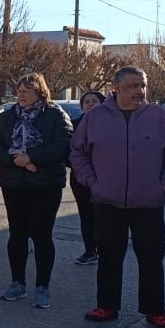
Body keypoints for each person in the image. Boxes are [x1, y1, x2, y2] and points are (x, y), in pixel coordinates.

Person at [70, 66, 165, 328]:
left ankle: (155, 311)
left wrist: (164, 185)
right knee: (109, 256)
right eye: (133, 86)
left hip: (149, 203)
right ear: (117, 88)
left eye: (143, 85)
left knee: (152, 257)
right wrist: (93, 183)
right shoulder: (96, 117)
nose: (140, 91)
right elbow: (77, 152)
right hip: (108, 202)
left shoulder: (157, 116)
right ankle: (107, 306)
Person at [0, 73, 72, 309]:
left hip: (46, 185)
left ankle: (42, 286)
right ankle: (17, 282)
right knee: (17, 235)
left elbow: (64, 146)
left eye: (27, 90)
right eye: (19, 90)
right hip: (14, 184)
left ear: (40, 93)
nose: (21, 94)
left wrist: (32, 157)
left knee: (42, 236)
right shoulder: (6, 117)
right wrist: (16, 160)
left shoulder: (55, 116)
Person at [69, 91, 106, 265]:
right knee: (86, 214)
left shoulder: (111, 124)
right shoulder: (74, 125)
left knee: (104, 214)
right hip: (80, 178)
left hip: (107, 178)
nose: (90, 104)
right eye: (86, 102)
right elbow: (67, 152)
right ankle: (90, 250)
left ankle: (105, 248)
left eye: (94, 101)